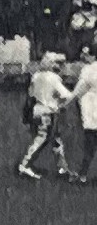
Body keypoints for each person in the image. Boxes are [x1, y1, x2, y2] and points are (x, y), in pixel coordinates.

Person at [17, 51, 75, 180]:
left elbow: (30, 94)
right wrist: (62, 104)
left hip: (36, 110)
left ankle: (63, 168)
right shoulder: (54, 78)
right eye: (57, 63)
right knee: (42, 139)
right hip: (48, 112)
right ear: (52, 64)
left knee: (56, 140)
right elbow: (67, 95)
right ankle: (24, 164)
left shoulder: (36, 76)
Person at [70, 44, 97, 184]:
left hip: (91, 110)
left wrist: (66, 101)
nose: (83, 56)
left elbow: (78, 90)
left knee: (90, 144)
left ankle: (83, 175)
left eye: (86, 54)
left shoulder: (87, 70)